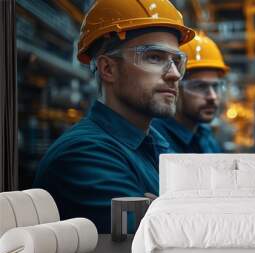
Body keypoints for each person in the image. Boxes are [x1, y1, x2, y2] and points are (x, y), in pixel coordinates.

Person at [33, 0, 195, 233]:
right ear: (108, 69)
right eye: (155, 57)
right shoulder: (84, 156)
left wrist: (167, 210)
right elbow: (158, 242)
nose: (174, 74)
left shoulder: (156, 144)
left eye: (177, 61)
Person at [152, 31, 229, 153]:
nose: (212, 97)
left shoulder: (204, 135)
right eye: (199, 86)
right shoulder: (156, 141)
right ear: (175, 85)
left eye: (215, 86)